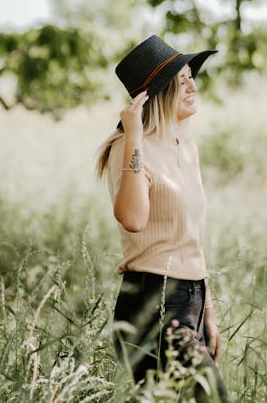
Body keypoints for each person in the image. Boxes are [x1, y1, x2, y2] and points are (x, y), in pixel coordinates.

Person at [97, 35, 228, 401]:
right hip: (153, 301)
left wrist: (208, 312)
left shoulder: (187, 147)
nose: (192, 86)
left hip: (191, 300)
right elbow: (133, 218)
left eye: (192, 76)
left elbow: (193, 239)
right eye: (181, 79)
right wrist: (135, 134)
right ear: (156, 93)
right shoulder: (128, 147)